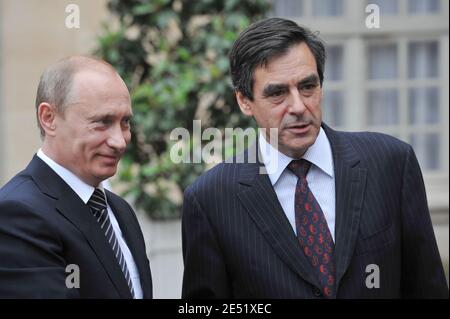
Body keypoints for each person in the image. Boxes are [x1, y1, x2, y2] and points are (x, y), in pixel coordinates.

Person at [181, 18, 448, 298]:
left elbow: (427, 288)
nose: (298, 106)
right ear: (245, 101)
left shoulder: (391, 163)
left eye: (308, 86)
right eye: (278, 93)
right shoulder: (211, 199)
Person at [0, 56, 152, 298]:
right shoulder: (17, 214)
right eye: (102, 122)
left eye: (125, 122)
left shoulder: (119, 210)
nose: (119, 141)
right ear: (48, 118)